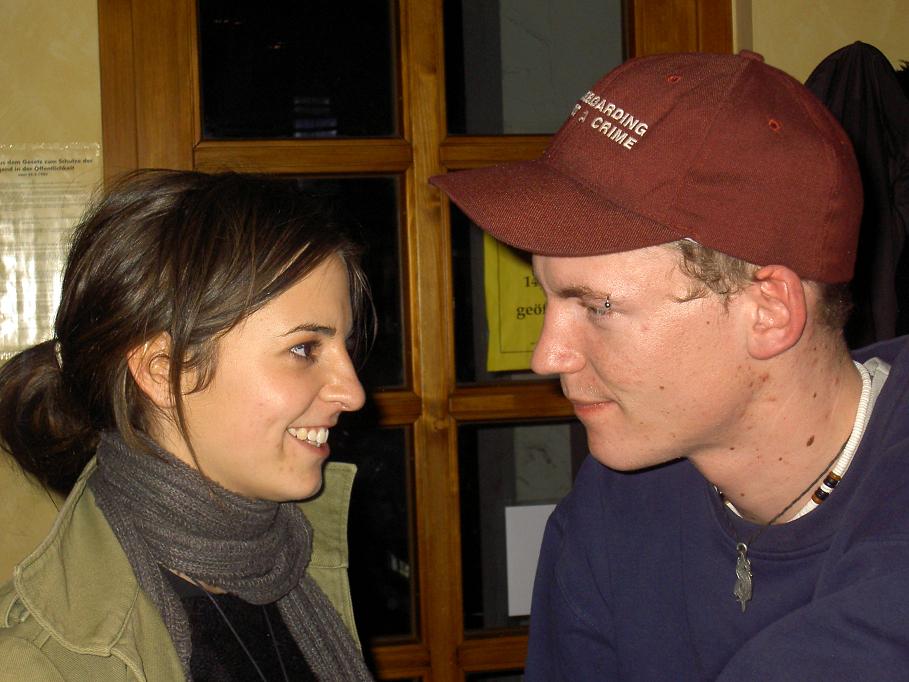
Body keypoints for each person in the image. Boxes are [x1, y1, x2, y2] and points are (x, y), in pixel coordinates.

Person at [431, 51, 909, 679]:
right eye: (546, 297)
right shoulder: (615, 508)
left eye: (597, 306)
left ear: (767, 311)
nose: (547, 356)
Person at [0, 170, 376, 681]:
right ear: (165, 371)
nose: (353, 393)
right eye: (304, 349)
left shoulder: (298, 563)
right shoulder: (43, 665)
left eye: (345, 346)